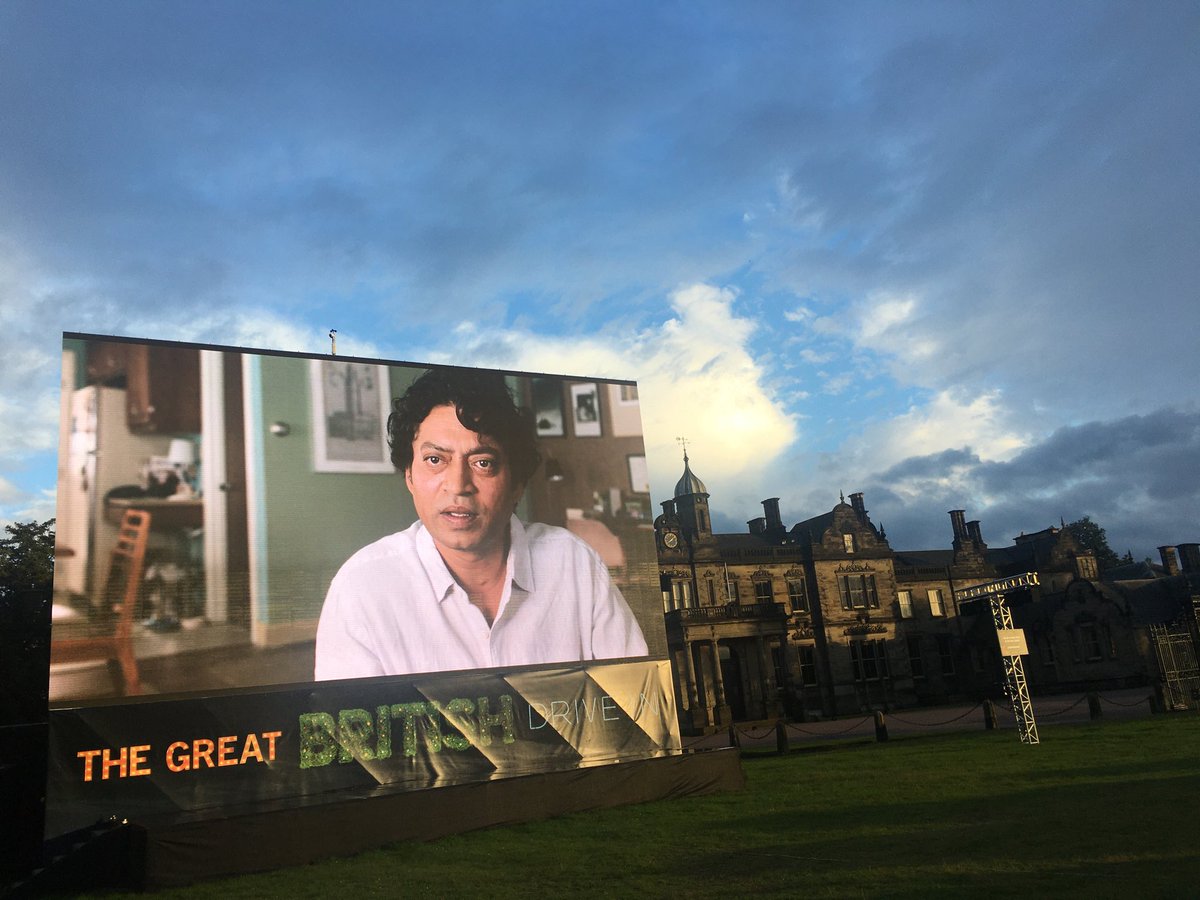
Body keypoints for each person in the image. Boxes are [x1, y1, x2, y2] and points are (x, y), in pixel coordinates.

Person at [315, 368, 648, 680]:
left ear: (517, 483)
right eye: (435, 460)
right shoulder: (361, 586)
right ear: (410, 476)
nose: (458, 485)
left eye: (483, 462)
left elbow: (637, 699)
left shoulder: (573, 561)